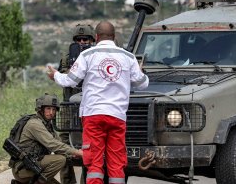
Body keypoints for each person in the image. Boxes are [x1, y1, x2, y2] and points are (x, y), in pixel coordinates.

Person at [47, 21, 149, 184]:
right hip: (117, 117)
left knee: (94, 163)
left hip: (93, 116)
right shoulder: (128, 57)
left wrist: (56, 76)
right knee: (116, 163)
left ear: (96, 37)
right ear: (114, 37)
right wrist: (141, 72)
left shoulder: (87, 55)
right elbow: (143, 84)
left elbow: (70, 81)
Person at [10, 93, 83, 184]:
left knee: (64, 157)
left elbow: (59, 144)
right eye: (48, 109)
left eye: (53, 109)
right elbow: (53, 144)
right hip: (24, 168)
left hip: (35, 166)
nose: (51, 112)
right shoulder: (35, 124)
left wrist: (71, 154)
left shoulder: (47, 125)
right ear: (41, 109)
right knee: (60, 160)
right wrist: (76, 152)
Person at [57, 23, 95, 184]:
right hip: (69, 108)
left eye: (85, 39)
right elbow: (64, 78)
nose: (82, 42)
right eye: (79, 39)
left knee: (88, 145)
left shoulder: (96, 57)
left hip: (89, 107)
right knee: (64, 144)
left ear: (91, 40)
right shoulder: (67, 58)